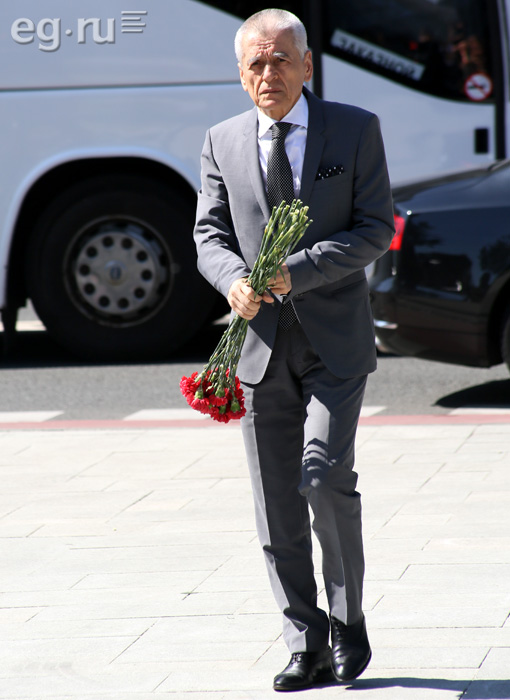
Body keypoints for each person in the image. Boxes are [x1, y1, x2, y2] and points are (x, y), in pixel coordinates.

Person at [194, 8, 394, 692]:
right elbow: (209, 235)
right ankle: (304, 642)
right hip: (259, 348)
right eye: (255, 63)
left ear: (307, 65)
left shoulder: (355, 129)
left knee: (323, 477)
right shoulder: (222, 140)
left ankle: (347, 620)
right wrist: (233, 280)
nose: (268, 73)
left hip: (335, 343)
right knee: (277, 503)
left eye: (280, 59)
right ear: (240, 73)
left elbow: (374, 227)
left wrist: (297, 271)